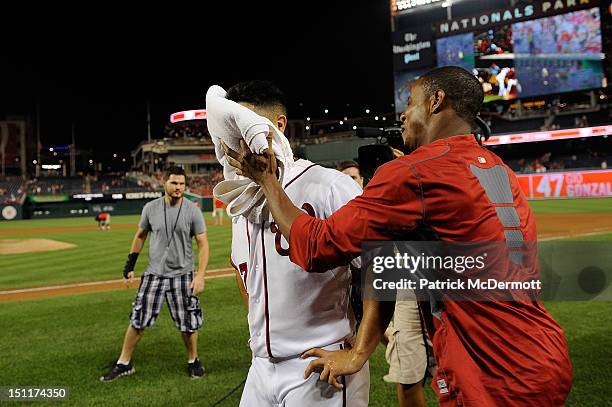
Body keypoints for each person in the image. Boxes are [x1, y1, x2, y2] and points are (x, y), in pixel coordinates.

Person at [226, 67, 572, 406]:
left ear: (436, 101)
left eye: (410, 102)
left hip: (490, 369)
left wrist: (268, 181)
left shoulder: (415, 173)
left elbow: (317, 245)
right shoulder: (497, 167)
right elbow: (395, 262)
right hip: (540, 350)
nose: (404, 114)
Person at [218, 80, 370, 406]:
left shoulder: (329, 186)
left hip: (319, 364)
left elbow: (379, 267)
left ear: (278, 126)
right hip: (261, 367)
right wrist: (261, 334)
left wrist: (359, 351)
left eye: (245, 125)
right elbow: (244, 273)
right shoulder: (243, 203)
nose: (239, 142)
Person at [100, 166, 209, 382]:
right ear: (164, 183)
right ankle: (124, 362)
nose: (178, 187)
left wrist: (200, 275)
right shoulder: (150, 208)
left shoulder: (192, 210)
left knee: (188, 323)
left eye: (181, 184)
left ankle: (193, 360)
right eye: (174, 183)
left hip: (183, 275)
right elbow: (140, 236)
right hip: (154, 275)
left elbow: (203, 244)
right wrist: (129, 266)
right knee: (138, 320)